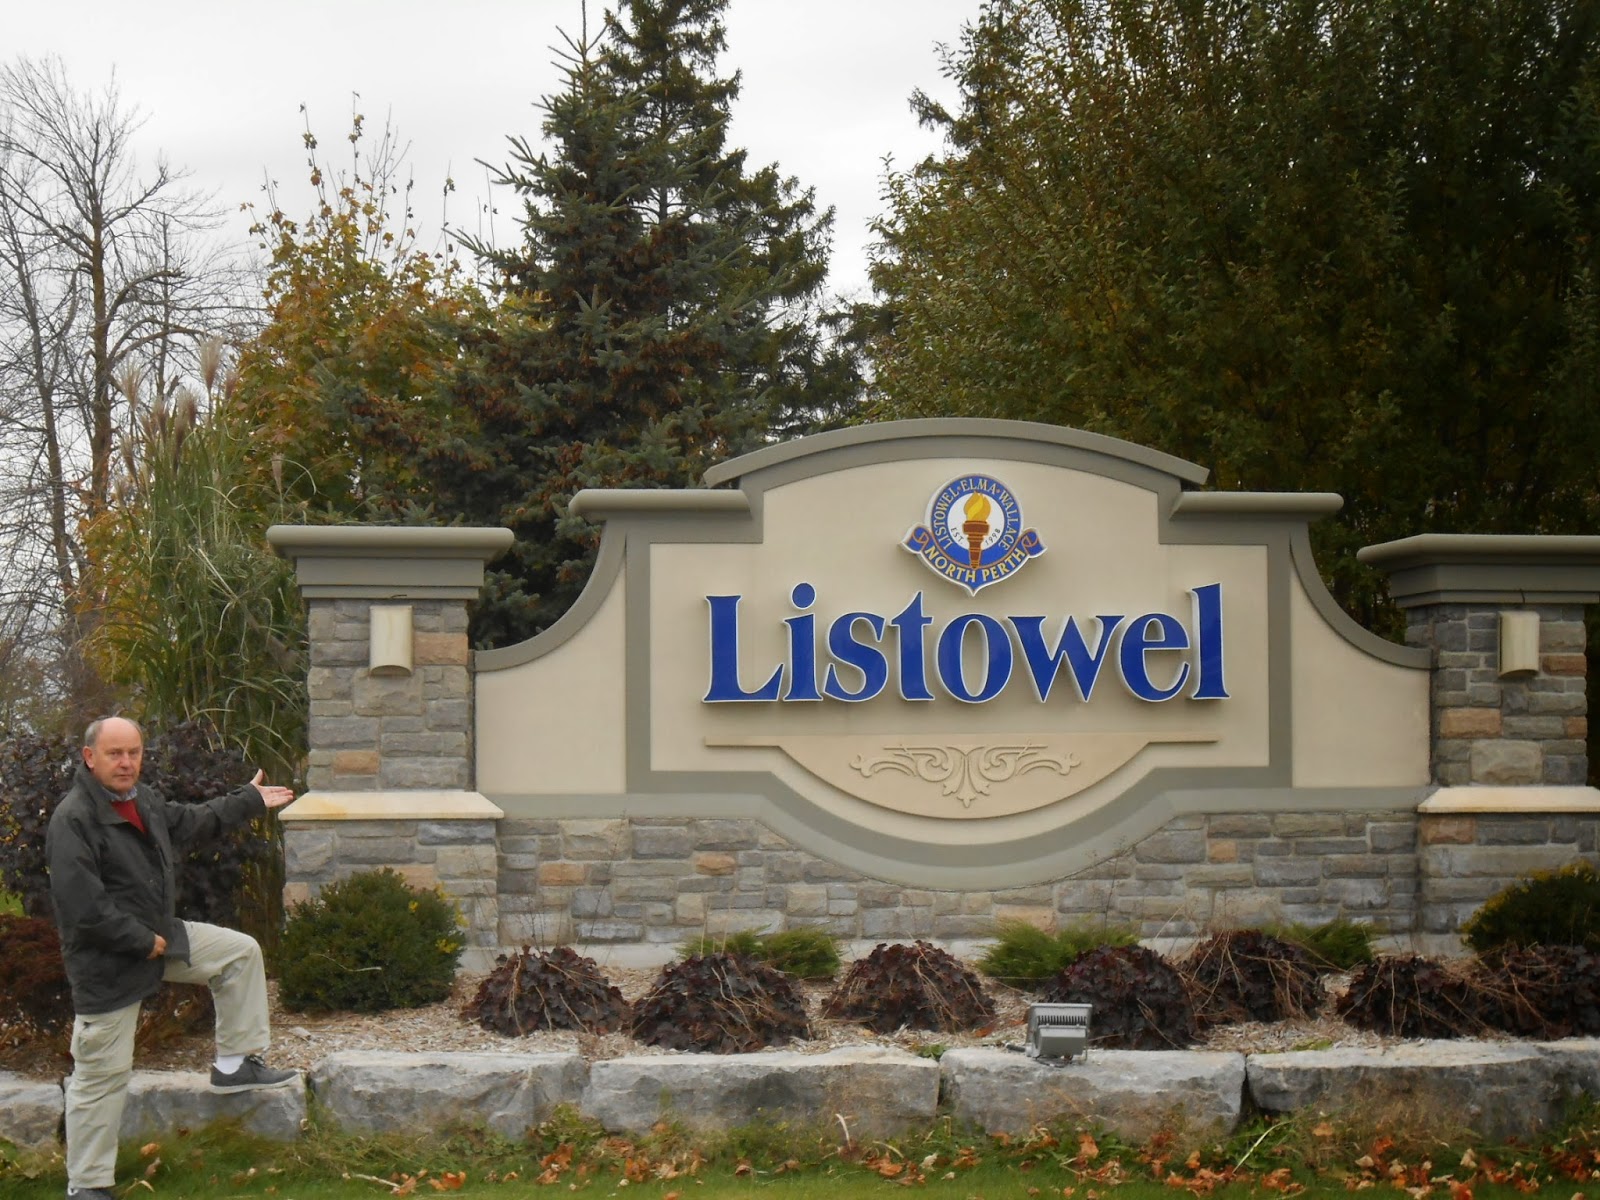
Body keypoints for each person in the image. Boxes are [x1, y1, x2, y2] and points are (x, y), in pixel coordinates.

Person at [47, 716, 299, 1200]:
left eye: (134, 753)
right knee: (102, 1076)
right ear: (89, 757)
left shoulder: (142, 801)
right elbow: (82, 908)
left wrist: (245, 800)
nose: (126, 762)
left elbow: (191, 821)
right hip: (111, 962)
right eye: (116, 753)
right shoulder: (73, 819)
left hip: (160, 938)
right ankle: (87, 1185)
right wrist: (140, 940)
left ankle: (234, 1064)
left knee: (239, 954)